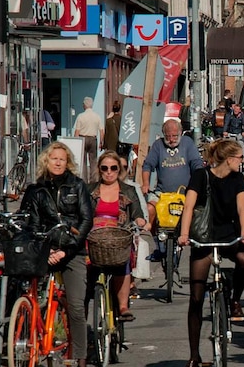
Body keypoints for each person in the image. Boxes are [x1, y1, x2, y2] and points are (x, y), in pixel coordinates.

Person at [18, 142, 94, 367]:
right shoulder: (35, 190)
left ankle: (81, 361)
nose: (58, 162)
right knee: (28, 295)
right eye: (54, 158)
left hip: (72, 252)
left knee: (75, 307)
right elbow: (28, 222)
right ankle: (29, 341)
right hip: (45, 250)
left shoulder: (78, 186)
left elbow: (85, 220)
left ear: (68, 162)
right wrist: (45, 249)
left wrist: (66, 249)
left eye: (63, 159)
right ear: (46, 161)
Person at [176, 140, 244, 367]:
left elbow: (242, 208)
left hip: (228, 234)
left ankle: (233, 298)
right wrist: (184, 234)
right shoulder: (201, 175)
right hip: (203, 235)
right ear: (229, 159)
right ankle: (193, 356)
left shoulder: (237, 179)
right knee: (196, 298)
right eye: (240, 158)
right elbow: (188, 207)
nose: (242, 162)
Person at [86, 151, 147, 322]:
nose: (109, 172)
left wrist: (140, 220)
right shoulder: (89, 189)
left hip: (118, 235)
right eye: (104, 168)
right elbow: (82, 212)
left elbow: (137, 212)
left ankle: (122, 306)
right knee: (84, 267)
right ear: (99, 169)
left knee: (122, 263)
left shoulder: (128, 190)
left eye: (113, 168)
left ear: (119, 170)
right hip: (94, 236)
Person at [141, 119, 204, 260]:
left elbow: (196, 164)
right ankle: (158, 244)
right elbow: (147, 165)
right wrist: (145, 183)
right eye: (168, 136)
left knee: (198, 212)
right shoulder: (158, 145)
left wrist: (199, 180)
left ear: (180, 133)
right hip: (162, 193)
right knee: (150, 209)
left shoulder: (187, 143)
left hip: (184, 192)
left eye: (175, 136)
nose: (171, 139)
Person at [118, 156, 149, 299]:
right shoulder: (96, 187)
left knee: (135, 244)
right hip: (103, 230)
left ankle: (130, 284)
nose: (116, 170)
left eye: (123, 167)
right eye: (107, 167)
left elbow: (140, 209)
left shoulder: (132, 188)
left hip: (126, 229)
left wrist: (142, 220)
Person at [74, 96, 104, 181]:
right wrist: (101, 142)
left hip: (82, 138)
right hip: (93, 139)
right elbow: (101, 130)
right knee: (93, 161)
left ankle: (84, 180)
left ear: (84, 105)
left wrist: (76, 142)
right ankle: (93, 180)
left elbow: (77, 131)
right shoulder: (97, 116)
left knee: (83, 161)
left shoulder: (80, 116)